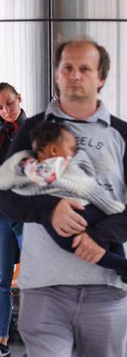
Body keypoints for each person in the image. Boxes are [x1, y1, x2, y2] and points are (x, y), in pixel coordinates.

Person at [0, 39, 127, 357]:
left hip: (106, 288)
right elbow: (4, 192)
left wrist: (103, 236)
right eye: (67, 68)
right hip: (44, 288)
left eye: (85, 69)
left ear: (100, 78)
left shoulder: (122, 133)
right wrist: (49, 209)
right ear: (57, 76)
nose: (75, 75)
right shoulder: (33, 129)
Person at [0, 121, 127, 283]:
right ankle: (122, 262)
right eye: (71, 149)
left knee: (74, 245)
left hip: (74, 213)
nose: (73, 153)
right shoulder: (61, 161)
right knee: (110, 237)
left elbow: (37, 179)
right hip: (88, 208)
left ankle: (122, 266)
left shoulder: (45, 164)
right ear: (53, 149)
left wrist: (23, 167)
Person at [0, 83, 24, 354]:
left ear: (19, 98)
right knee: (2, 279)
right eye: (1, 107)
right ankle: (2, 342)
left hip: (25, 214)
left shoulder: (32, 130)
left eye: (10, 103)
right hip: (3, 215)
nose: (6, 111)